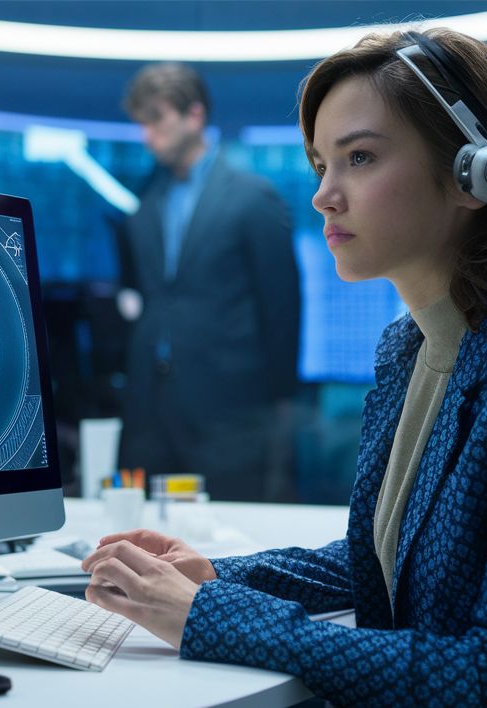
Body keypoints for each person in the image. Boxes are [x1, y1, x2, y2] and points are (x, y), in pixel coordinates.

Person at [82, 28, 487, 708]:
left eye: (359, 157)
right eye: (320, 165)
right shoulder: (408, 349)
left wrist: (211, 617)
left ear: (476, 173)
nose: (324, 196)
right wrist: (213, 576)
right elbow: (383, 563)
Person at [114, 62, 301, 503]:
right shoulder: (144, 204)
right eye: (141, 123)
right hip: (148, 408)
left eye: (156, 119)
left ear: (194, 114)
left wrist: (281, 400)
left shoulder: (252, 198)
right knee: (139, 531)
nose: (147, 135)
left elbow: (282, 305)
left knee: (231, 529)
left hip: (230, 410)